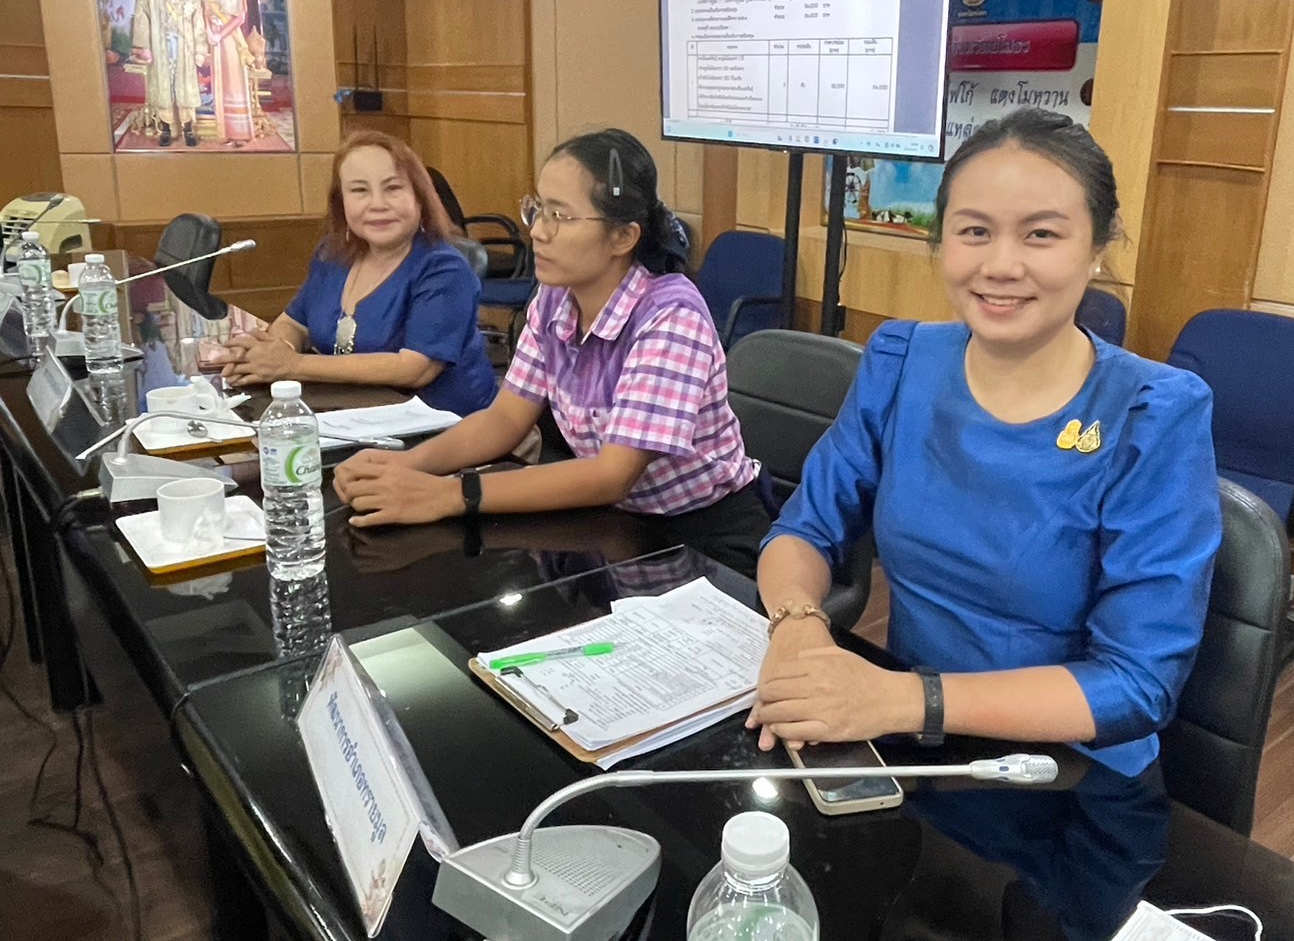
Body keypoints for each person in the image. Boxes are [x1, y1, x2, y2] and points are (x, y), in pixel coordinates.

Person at [747, 108, 1221, 775]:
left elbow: (1136, 685)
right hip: (905, 738)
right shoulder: (901, 361)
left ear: (1097, 246)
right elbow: (806, 526)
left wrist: (908, 699)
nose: (1000, 265)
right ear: (940, 242)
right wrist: (796, 625)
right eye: (974, 232)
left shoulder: (1153, 413)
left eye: (1040, 235)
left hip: (1067, 772)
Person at [331, 128, 771, 574]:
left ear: (623, 237)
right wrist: (406, 467)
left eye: (560, 215)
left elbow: (611, 475)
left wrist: (447, 494)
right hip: (613, 522)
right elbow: (505, 419)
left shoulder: (671, 316)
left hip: (702, 540)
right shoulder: (555, 298)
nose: (538, 231)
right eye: (539, 209)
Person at [222, 130, 496, 416]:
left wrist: (292, 365)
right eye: (359, 190)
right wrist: (268, 353)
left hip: (448, 431)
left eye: (393, 188)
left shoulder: (444, 268)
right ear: (341, 203)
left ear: (420, 197)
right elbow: (295, 323)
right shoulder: (332, 254)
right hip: (351, 418)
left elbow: (415, 368)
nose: (378, 204)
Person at [130, 0, 206, 147]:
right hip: (160, 45)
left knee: (185, 85)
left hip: (184, 47)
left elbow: (198, 21)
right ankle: (166, 128)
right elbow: (141, 16)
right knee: (163, 85)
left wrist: (200, 50)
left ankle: (188, 127)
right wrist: (144, 47)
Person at [201, 0, 256, 146]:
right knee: (220, 84)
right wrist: (209, 34)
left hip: (231, 40)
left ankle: (240, 134)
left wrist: (219, 35)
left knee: (234, 82)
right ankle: (225, 131)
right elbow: (205, 15)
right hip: (215, 42)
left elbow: (239, 18)